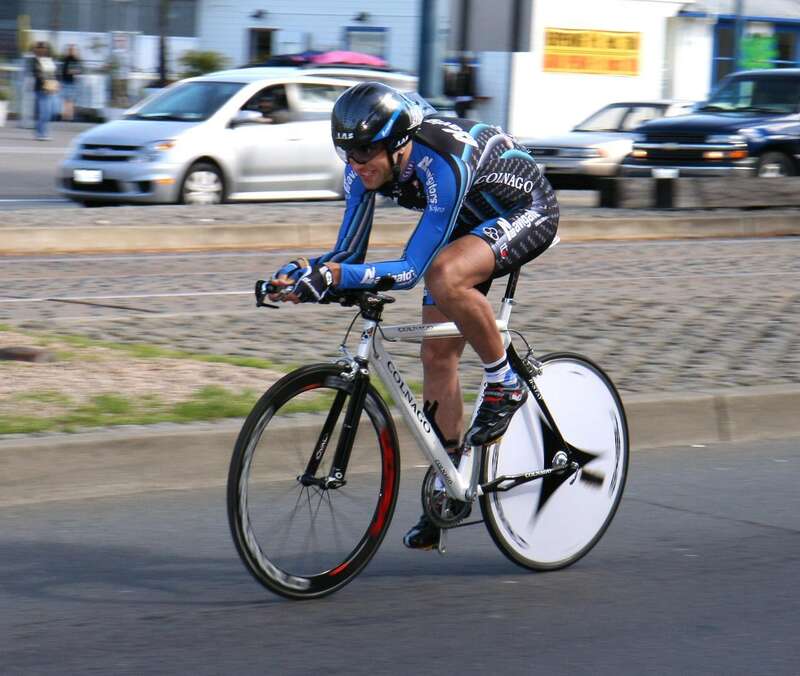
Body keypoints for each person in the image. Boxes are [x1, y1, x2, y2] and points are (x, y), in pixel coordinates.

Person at [266, 82, 559, 550]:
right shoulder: (361, 170)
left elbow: (407, 271)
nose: (356, 163)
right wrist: (305, 273)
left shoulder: (439, 162)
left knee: (444, 274)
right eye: (346, 152)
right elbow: (347, 251)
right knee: (436, 354)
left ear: (398, 143)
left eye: (365, 151)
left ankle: (504, 379)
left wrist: (339, 277)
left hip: (526, 209)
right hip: (469, 220)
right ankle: (451, 487)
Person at [32, 41, 58, 140]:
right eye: (41, 48)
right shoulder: (35, 60)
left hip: (51, 88)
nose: (43, 50)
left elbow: (53, 74)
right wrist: (45, 85)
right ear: (37, 49)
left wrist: (55, 84)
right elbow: (38, 75)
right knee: (45, 113)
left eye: (45, 48)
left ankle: (40, 130)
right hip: (41, 89)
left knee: (52, 111)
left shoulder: (49, 60)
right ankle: (41, 133)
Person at [60, 44, 82, 122]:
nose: (71, 51)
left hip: (71, 82)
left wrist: (73, 71)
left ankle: (69, 116)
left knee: (70, 100)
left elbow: (76, 71)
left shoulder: (75, 60)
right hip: (65, 81)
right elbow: (65, 70)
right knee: (66, 100)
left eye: (72, 50)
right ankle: (65, 116)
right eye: (70, 49)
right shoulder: (66, 59)